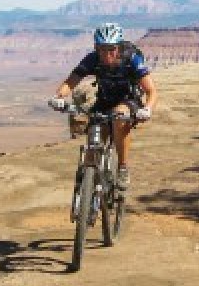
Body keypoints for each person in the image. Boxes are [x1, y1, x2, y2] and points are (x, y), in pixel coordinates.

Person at [48, 22, 157, 191]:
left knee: (119, 117)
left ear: (118, 47)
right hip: (104, 100)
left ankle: (122, 167)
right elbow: (71, 82)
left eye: (111, 49)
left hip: (128, 100)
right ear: (96, 48)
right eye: (102, 49)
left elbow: (151, 91)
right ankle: (90, 187)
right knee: (95, 139)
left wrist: (147, 109)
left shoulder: (131, 59)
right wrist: (58, 96)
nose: (107, 54)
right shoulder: (93, 59)